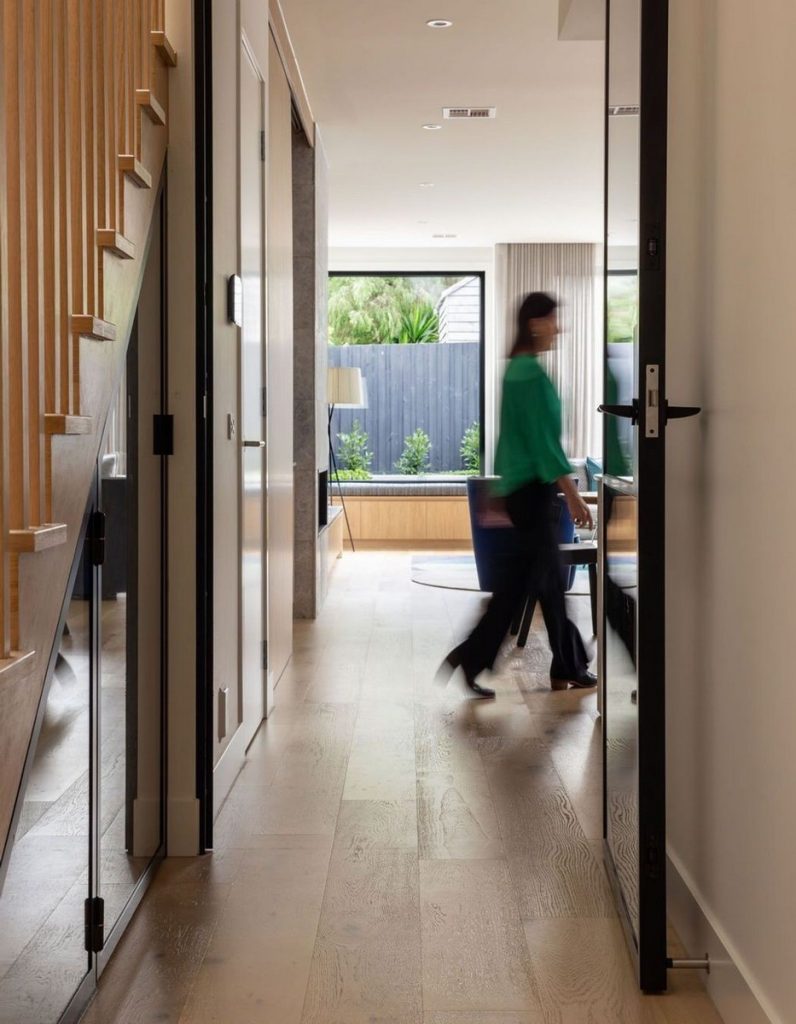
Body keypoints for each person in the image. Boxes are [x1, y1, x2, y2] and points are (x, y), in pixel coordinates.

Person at [440, 291, 596, 698]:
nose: (558, 328)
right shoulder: (529, 375)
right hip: (532, 493)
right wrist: (575, 496)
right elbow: (544, 445)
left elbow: (509, 438)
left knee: (533, 585)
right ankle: (562, 664)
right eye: (552, 320)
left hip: (523, 492)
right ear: (534, 323)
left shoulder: (517, 372)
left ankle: (562, 663)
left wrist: (500, 489)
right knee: (534, 586)